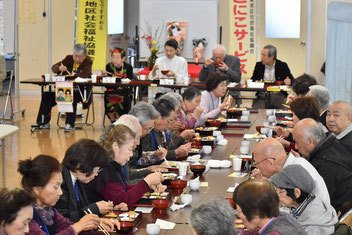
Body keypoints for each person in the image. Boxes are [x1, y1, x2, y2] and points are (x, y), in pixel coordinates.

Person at [18, 154, 119, 234]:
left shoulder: (49, 210)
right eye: (55, 187)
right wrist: (78, 227)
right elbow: (74, 228)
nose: (60, 192)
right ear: (37, 189)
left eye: (60, 186)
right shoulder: (26, 216)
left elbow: (67, 226)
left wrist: (95, 224)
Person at [83, 125, 164, 207]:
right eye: (129, 149)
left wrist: (148, 186)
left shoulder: (113, 164)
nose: (131, 154)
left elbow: (124, 189)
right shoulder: (103, 169)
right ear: (115, 146)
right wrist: (147, 182)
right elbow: (122, 200)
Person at [55, 139, 127, 222]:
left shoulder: (78, 178)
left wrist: (111, 210)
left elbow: (82, 210)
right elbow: (63, 219)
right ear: (81, 164)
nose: (96, 174)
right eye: (96, 169)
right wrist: (95, 208)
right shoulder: (60, 182)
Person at [292, 118, 352, 211]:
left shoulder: (324, 165)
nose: (295, 146)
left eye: (297, 142)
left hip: (334, 215)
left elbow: (316, 205)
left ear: (310, 141)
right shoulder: (332, 143)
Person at [251, 137, 330, 204]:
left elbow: (282, 207)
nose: (257, 167)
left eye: (257, 163)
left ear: (270, 162)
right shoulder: (294, 164)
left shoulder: (295, 173)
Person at [36, 44, 93, 132]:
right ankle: (43, 122)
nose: (77, 59)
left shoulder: (88, 61)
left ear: (85, 56)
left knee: (70, 95)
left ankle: (70, 124)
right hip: (63, 90)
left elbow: (85, 74)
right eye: (75, 56)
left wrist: (72, 77)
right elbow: (54, 68)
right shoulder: (68, 59)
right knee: (46, 95)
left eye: (80, 57)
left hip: (80, 92)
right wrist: (59, 68)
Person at [271, 164, 337, 234]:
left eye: (280, 191)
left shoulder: (311, 228)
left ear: (296, 193)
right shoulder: (313, 200)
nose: (277, 195)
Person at [233, 179, 307, 234]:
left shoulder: (275, 233)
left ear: (256, 213)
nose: (239, 216)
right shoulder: (282, 217)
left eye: (240, 212)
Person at [113, 115, 168, 187]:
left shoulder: (121, 152)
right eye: (137, 138)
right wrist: (147, 182)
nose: (138, 142)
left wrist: (150, 172)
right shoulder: (112, 160)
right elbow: (123, 189)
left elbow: (128, 175)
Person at [140, 98, 192, 166]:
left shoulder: (161, 130)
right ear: (159, 116)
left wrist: (181, 142)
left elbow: (168, 148)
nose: (170, 125)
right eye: (169, 121)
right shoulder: (146, 132)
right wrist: (176, 152)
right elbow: (144, 160)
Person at [102, 48, 134, 123]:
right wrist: (106, 76)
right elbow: (107, 85)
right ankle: (113, 121)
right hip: (111, 91)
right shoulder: (109, 67)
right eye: (113, 57)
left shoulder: (128, 67)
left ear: (123, 58)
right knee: (108, 96)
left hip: (124, 90)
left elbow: (130, 81)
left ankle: (119, 120)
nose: (114, 60)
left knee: (123, 96)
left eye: (117, 57)